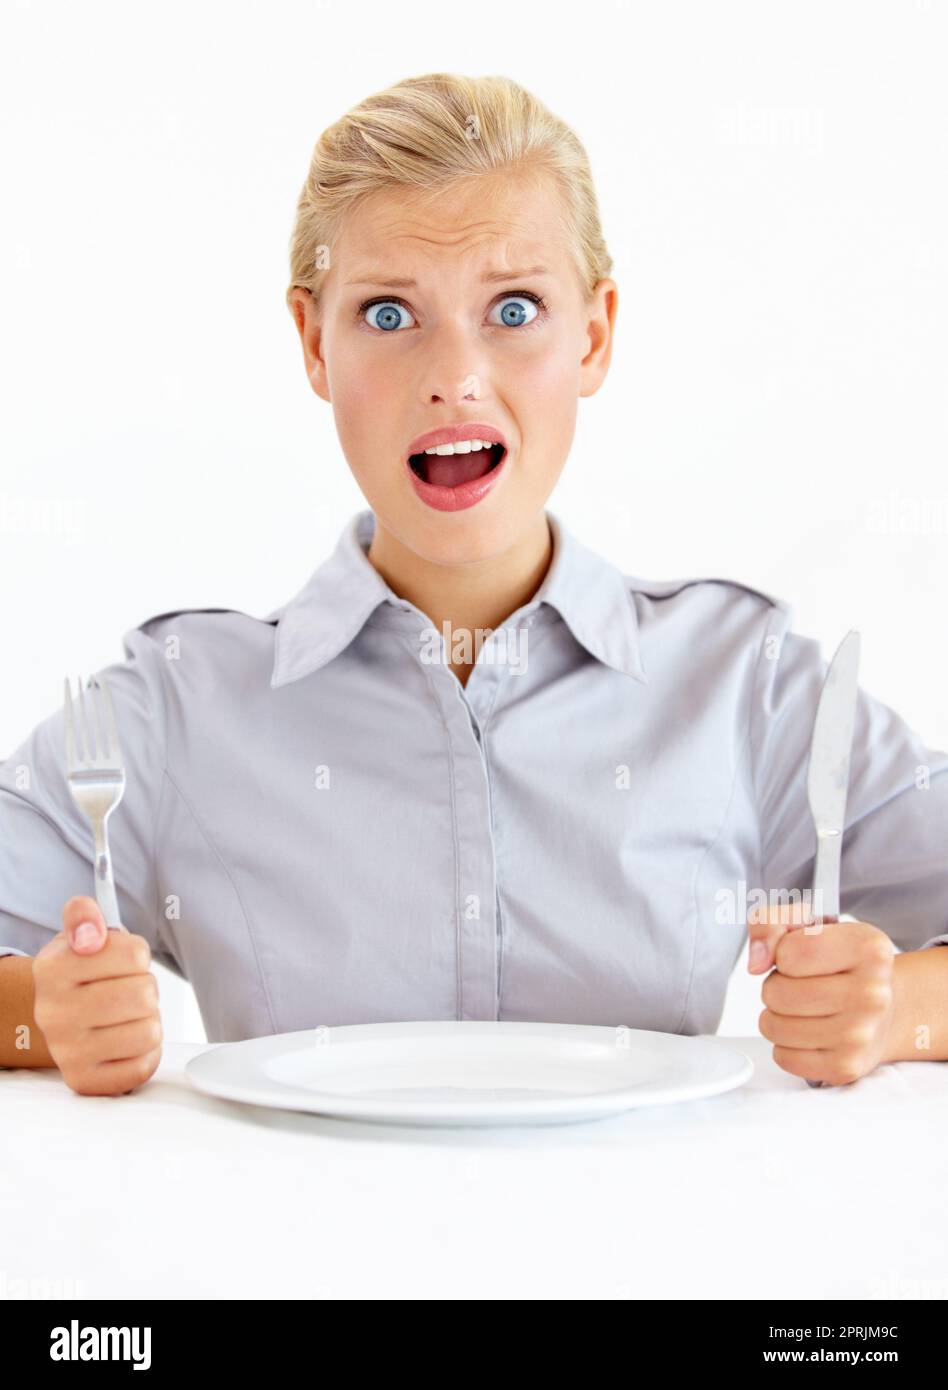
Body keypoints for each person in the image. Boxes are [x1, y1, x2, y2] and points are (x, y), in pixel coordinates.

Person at [2, 73, 947, 1096]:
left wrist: (895, 1007)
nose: (454, 373)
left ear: (593, 334)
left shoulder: (741, 686)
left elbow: (904, 991)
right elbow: (31, 1001)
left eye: (513, 307)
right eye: (389, 312)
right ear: (314, 342)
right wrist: (39, 1016)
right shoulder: (176, 706)